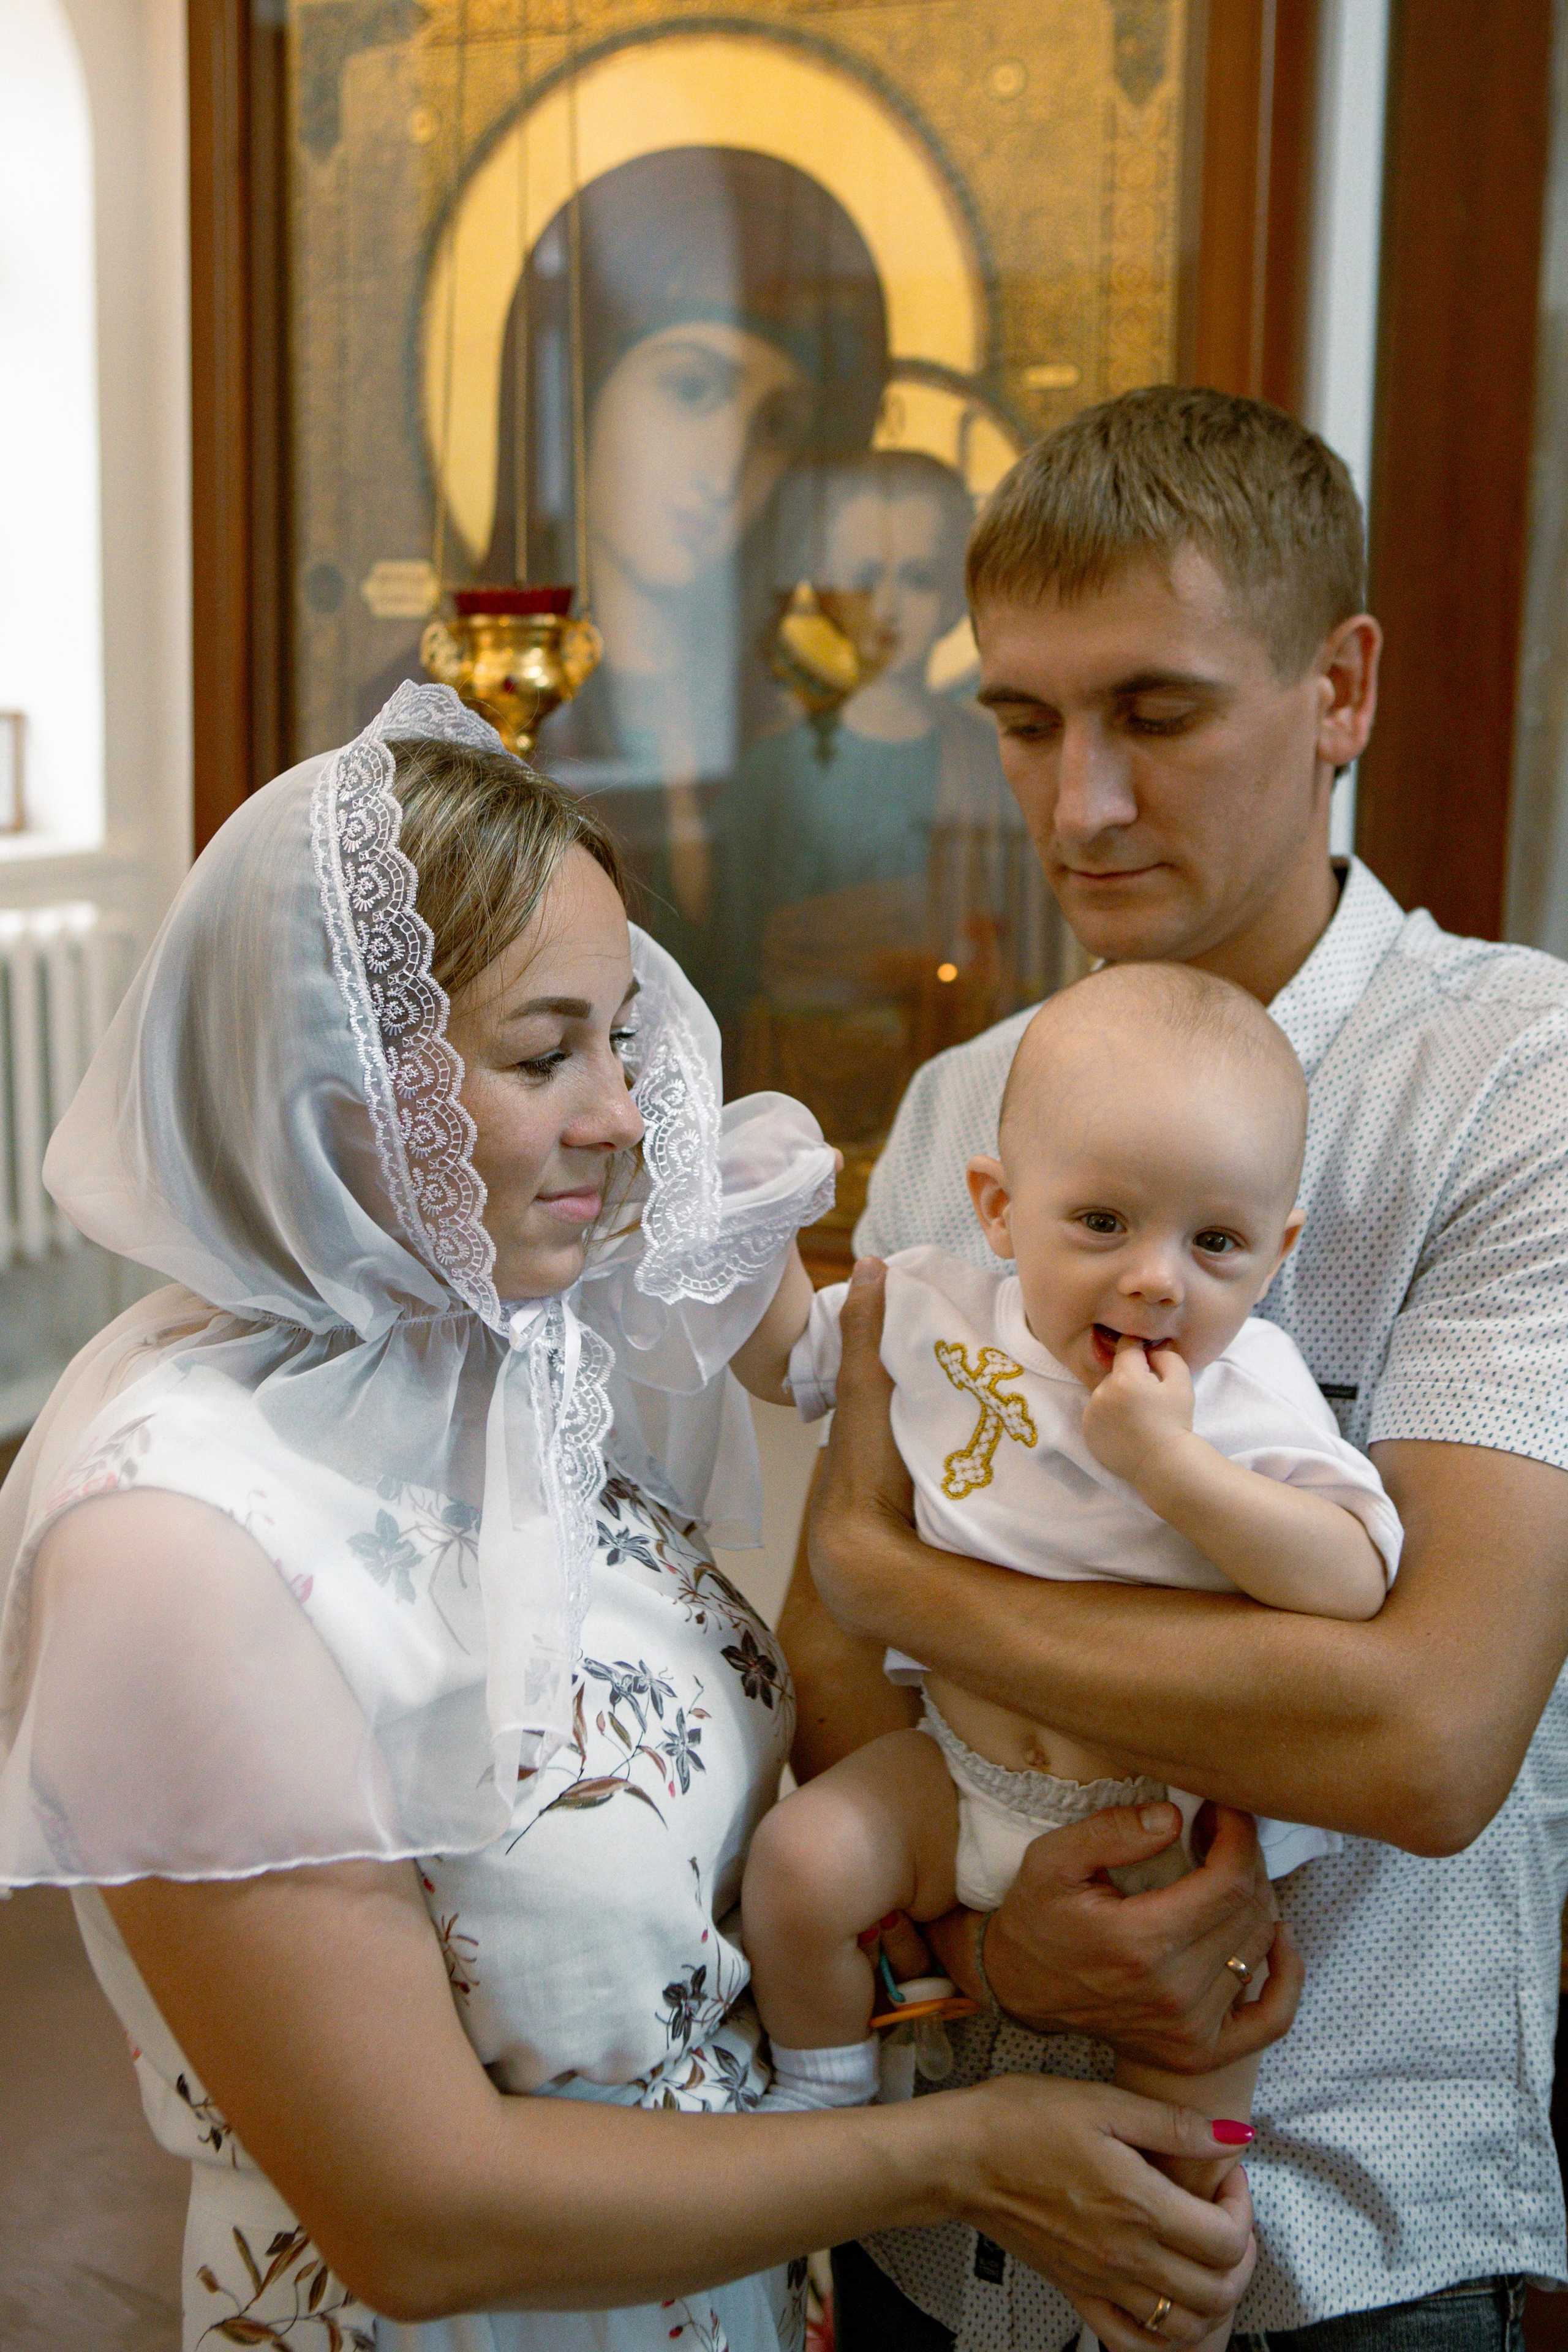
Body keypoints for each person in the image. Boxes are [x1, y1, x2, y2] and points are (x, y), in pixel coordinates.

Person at [0, 680, 1264, 2352]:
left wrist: (1003, 1955)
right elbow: (417, 2218)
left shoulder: (526, 1364)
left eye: (620, 1036)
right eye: (546, 1054)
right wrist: (960, 2155)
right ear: (331, 1086)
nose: (622, 1112)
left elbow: (686, 1929)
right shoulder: (172, 1541)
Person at [782, 384, 1568, 2352]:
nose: (1080, 809)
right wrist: (987, 1953)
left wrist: (902, 1581)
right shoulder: (974, 1099)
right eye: (1026, 723)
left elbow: (1427, 1743)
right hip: (947, 2214)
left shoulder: (1516, 1085)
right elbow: (828, 1657)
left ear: (1340, 688)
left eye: (1157, 714)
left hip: (1327, 2239)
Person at [735, 964, 1399, 2254]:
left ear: (1278, 1252)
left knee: (1194, 2062)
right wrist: (753, 1231)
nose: (1157, 1281)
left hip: (1166, 1824)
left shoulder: (1244, 1390)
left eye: (1215, 1245)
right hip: (956, 1772)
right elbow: (785, 1362)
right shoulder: (935, 1313)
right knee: (797, 1864)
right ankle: (824, 2095)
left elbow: (1351, 1574)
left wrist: (1175, 1468)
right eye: (1100, 1223)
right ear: (999, 1207)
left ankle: (1178, 2256)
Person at [486, 147, 889, 999]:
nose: (727, 468)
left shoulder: (796, 709)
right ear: (576, 395)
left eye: (775, 426)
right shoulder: (474, 711)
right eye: (692, 390)